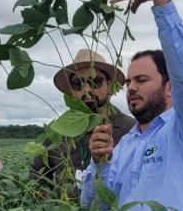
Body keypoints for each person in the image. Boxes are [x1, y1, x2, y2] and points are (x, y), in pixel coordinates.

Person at [81, 0, 183, 211]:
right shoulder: (124, 145)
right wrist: (99, 164)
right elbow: (97, 210)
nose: (131, 87)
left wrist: (160, 0)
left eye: (142, 80)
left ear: (170, 86)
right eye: (129, 82)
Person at [30, 49, 135, 198]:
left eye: (95, 81)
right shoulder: (58, 132)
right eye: (78, 84)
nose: (87, 90)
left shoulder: (132, 130)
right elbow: (37, 179)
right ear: (71, 91)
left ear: (109, 85)